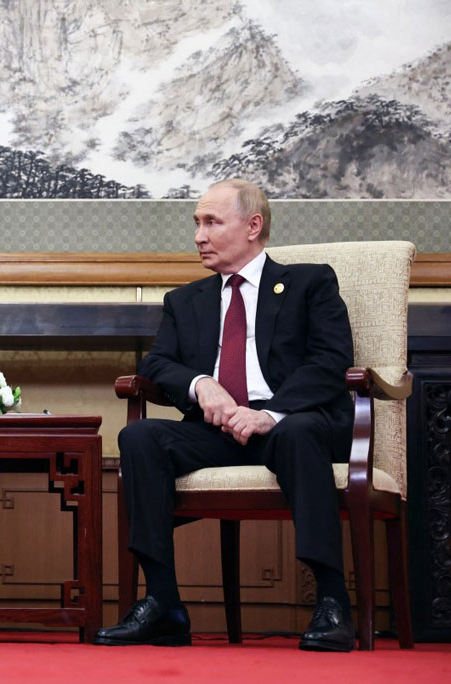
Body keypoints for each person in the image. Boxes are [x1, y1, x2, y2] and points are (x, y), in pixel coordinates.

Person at [95, 179, 356, 652]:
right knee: (140, 439)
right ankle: (164, 605)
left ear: (253, 226)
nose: (198, 235)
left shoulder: (310, 283)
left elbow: (330, 361)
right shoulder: (185, 300)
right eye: (196, 223)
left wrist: (270, 413)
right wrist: (201, 384)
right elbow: (156, 364)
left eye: (211, 222)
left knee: (299, 432)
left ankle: (332, 602)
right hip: (215, 431)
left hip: (287, 425)